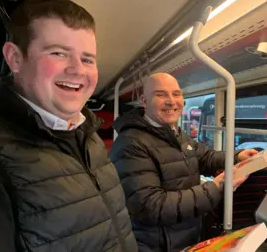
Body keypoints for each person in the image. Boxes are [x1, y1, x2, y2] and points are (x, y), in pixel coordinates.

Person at [0, 0, 137, 251]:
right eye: (58, 53)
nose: (78, 70)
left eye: (88, 59)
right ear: (14, 58)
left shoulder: (88, 137)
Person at [109, 72, 258, 251]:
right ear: (145, 101)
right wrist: (215, 187)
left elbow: (204, 157)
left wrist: (238, 156)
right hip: (158, 244)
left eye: (176, 94)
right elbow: (151, 206)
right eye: (160, 94)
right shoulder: (130, 143)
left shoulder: (175, 133)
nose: (171, 101)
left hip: (186, 235)